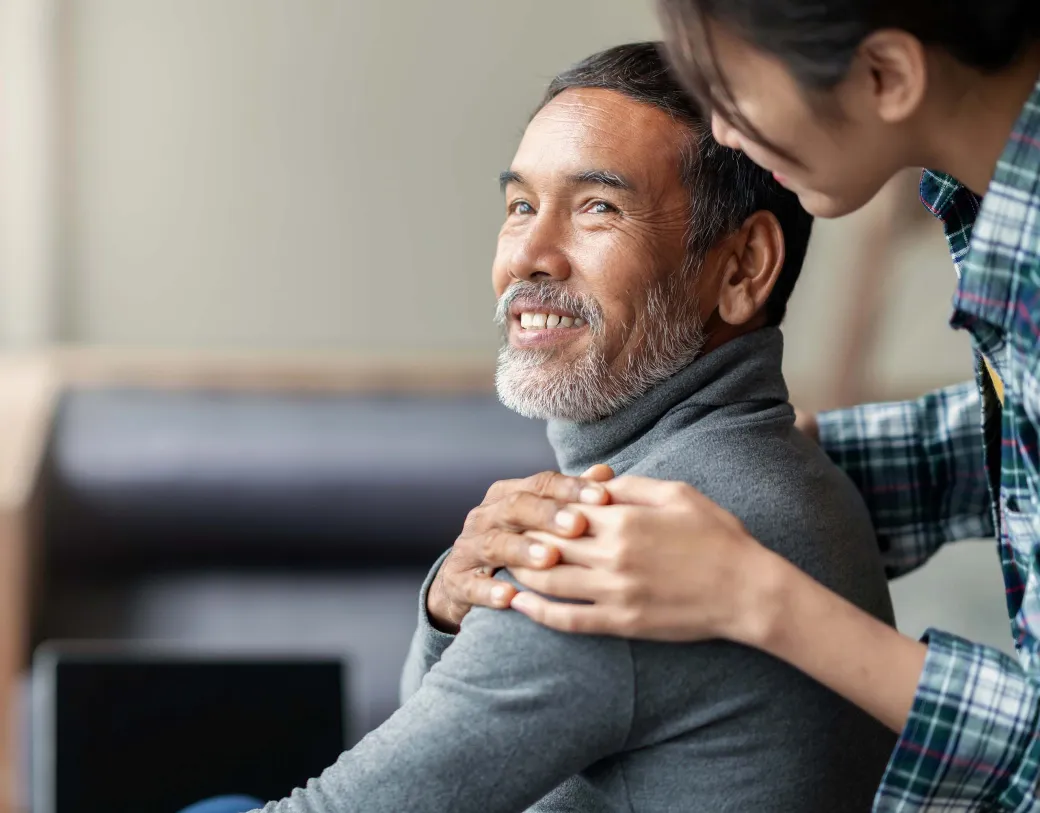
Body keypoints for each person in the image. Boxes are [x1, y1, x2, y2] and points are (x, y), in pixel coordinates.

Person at [187, 42, 895, 813]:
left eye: (598, 207)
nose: (528, 255)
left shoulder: (626, 552)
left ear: (741, 268)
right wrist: (447, 610)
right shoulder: (793, 474)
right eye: (521, 206)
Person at [428, 3, 1040, 811]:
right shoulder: (991, 211)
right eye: (519, 204)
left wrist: (757, 591)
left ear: (885, 75)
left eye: (735, 86)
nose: (722, 128)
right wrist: (785, 479)